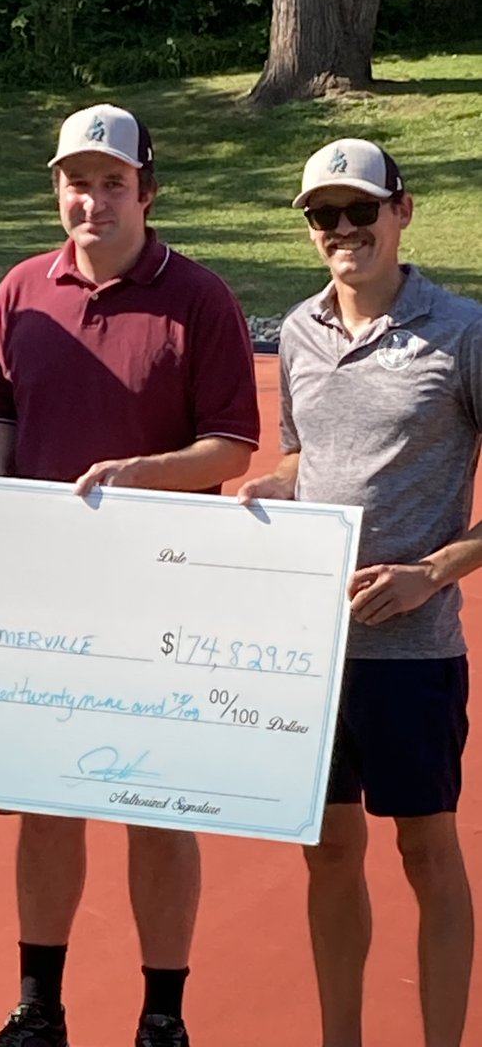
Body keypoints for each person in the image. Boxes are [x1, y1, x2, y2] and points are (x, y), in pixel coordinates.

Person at [0, 103, 260, 1047]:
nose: (91, 199)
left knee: (154, 805)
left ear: (147, 188)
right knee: (50, 804)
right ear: (56, 188)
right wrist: (4, 503)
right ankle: (38, 1006)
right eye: (75, 181)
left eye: (110, 182)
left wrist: (138, 478)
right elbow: (0, 410)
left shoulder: (202, 298)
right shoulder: (21, 289)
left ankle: (162, 1014)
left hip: (164, 591)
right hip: (49, 593)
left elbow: (232, 441)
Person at [238, 138, 478, 1047]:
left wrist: (431, 575)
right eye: (323, 216)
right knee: (329, 852)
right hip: (310, 650)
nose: (343, 230)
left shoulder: (463, 330)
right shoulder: (298, 332)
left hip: (413, 655)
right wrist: (273, 482)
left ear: (401, 212)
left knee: (426, 851)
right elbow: (304, 456)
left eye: (359, 210)